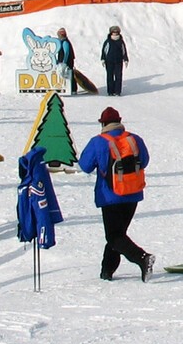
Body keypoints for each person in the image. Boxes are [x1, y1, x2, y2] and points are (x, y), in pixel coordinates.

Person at [77, 107, 154, 281]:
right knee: (117, 234)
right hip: (133, 193)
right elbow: (145, 161)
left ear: (103, 123)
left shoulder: (98, 142)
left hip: (110, 196)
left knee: (114, 236)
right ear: (119, 121)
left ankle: (143, 258)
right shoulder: (134, 139)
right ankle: (107, 271)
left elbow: (85, 166)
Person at [101, 25, 129, 96]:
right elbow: (104, 51)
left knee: (118, 77)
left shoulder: (121, 42)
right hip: (109, 61)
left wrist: (125, 59)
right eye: (113, 32)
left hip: (118, 62)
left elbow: (124, 51)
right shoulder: (108, 41)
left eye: (116, 32)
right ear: (111, 32)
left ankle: (117, 91)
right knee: (110, 76)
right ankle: (110, 91)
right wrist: (103, 59)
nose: (115, 33)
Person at [56, 27, 77, 95]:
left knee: (69, 74)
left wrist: (64, 62)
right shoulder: (62, 41)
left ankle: (73, 89)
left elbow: (66, 53)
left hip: (68, 61)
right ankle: (68, 87)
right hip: (64, 61)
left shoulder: (65, 42)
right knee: (66, 74)